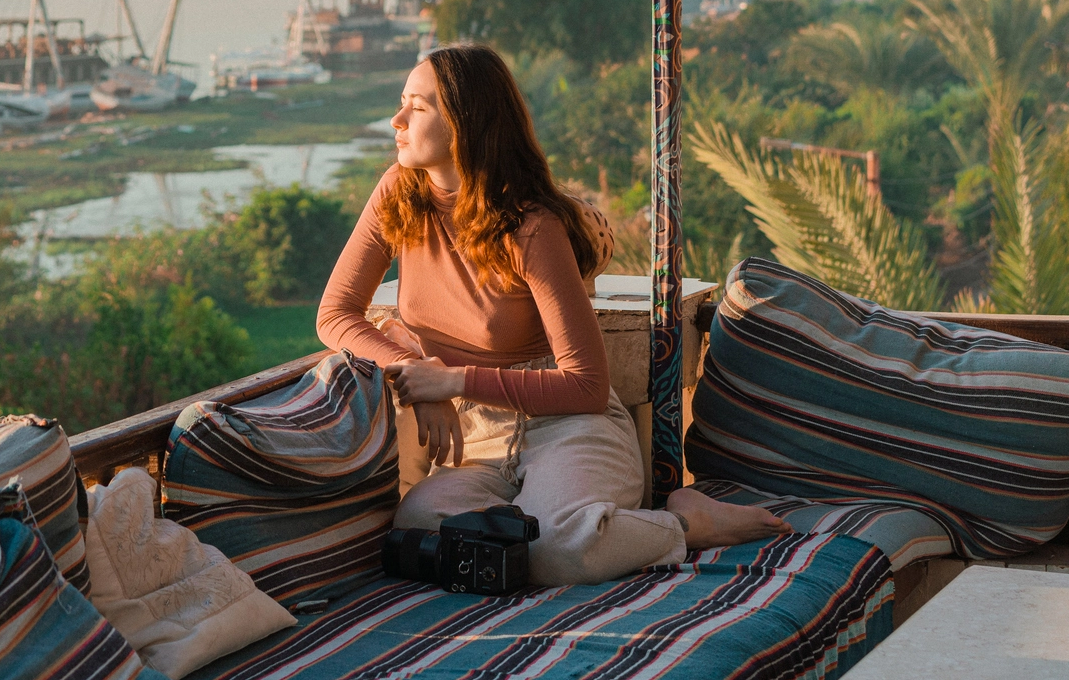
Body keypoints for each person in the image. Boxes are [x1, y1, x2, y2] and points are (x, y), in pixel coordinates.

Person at [316, 43, 787, 586]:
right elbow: (336, 314)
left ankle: (684, 521)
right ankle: (555, 525)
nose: (396, 121)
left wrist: (451, 377)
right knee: (421, 525)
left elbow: (586, 385)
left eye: (417, 108)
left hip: (566, 426)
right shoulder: (397, 193)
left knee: (563, 546)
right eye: (402, 103)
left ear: (466, 125)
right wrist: (418, 375)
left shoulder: (531, 226)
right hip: (476, 436)